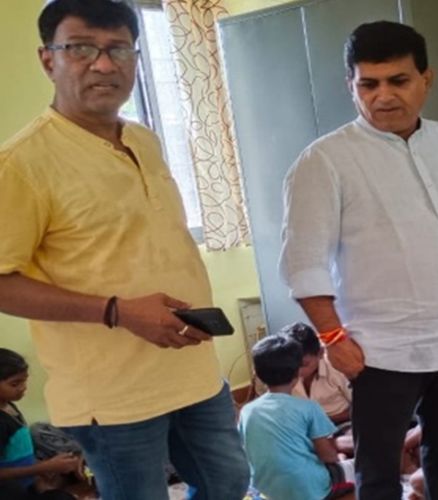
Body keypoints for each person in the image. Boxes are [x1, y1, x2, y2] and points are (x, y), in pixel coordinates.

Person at [0, 1, 249, 499]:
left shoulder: (143, 139)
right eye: (81, 49)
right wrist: (117, 311)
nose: (103, 64)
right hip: (113, 396)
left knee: (228, 482)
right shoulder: (22, 163)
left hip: (194, 372)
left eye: (118, 49)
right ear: (48, 59)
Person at [279, 20, 438, 500]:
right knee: (378, 469)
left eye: (398, 81)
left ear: (427, 79)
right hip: (380, 349)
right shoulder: (325, 161)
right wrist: (333, 338)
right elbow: (303, 262)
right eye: (369, 84)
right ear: (351, 85)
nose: (383, 96)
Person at [239, 336, 354, 500]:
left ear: (257, 374)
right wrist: (337, 459)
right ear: (297, 373)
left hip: (267, 490)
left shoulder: (246, 411)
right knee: (356, 467)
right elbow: (327, 456)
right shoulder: (309, 408)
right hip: (311, 490)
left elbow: (246, 450)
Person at [0, 349, 80, 500]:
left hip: (28, 482)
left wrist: (42, 466)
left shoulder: (8, 406)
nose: (23, 387)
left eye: (24, 381)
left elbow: (16, 453)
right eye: (15, 384)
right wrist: (42, 468)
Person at [281, 322, 352, 425]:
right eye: (292, 364)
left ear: (320, 353)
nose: (298, 371)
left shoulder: (336, 367)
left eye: (304, 364)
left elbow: (361, 407)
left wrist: (324, 421)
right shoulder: (283, 370)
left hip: (341, 424)